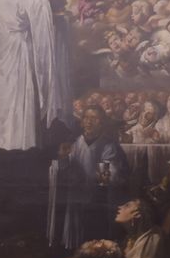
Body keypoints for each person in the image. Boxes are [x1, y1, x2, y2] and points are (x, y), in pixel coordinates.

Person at [0, 0, 72, 152]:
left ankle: (35, 142)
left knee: (35, 94)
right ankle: (11, 143)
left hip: (33, 53)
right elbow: (24, 13)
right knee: (15, 96)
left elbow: (50, 8)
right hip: (15, 55)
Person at [52, 106, 128, 250]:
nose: (89, 121)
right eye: (86, 117)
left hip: (97, 199)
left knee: (94, 236)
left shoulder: (109, 145)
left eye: (94, 118)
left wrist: (84, 178)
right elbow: (63, 168)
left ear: (101, 122)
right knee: (75, 237)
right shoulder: (75, 143)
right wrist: (63, 157)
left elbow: (106, 177)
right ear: (81, 122)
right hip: (75, 197)